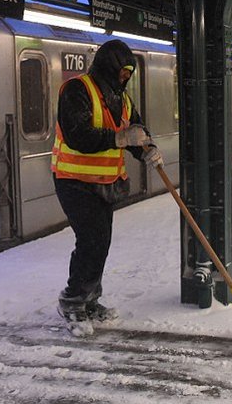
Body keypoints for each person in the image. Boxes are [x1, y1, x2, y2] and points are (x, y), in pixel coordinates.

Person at [50, 39, 164, 336]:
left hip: (105, 182)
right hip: (73, 180)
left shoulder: (121, 99)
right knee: (91, 240)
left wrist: (147, 149)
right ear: (108, 66)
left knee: (101, 242)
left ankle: (89, 299)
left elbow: (136, 131)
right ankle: (72, 300)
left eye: (129, 73)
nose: (126, 77)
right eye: (123, 71)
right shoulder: (77, 90)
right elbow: (78, 135)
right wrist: (119, 139)